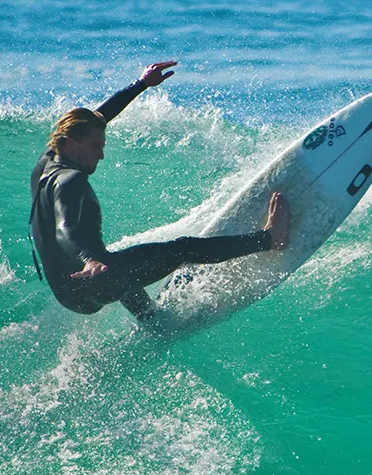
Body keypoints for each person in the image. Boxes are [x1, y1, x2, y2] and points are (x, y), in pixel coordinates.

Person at [29, 60, 290, 319]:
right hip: (94, 281)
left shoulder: (48, 160)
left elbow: (98, 118)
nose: (102, 155)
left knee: (124, 268)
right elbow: (65, 229)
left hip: (67, 291)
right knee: (182, 249)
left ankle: (149, 317)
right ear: (73, 143)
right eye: (97, 146)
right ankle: (269, 239)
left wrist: (141, 84)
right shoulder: (70, 180)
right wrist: (89, 259)